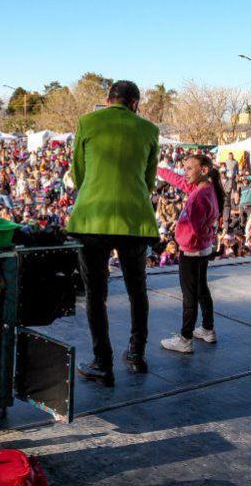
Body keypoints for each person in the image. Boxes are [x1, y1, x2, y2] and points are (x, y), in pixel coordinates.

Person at [67, 80, 159, 385]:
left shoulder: (87, 122)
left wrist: (93, 193)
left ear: (108, 101)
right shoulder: (149, 130)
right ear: (134, 103)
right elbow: (149, 180)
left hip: (92, 219)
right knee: (137, 290)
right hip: (134, 220)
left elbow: (78, 173)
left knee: (96, 294)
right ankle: (136, 355)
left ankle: (102, 362)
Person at [156, 154, 224, 353]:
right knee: (201, 288)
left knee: (190, 295)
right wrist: (158, 170)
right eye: (184, 168)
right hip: (202, 249)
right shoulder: (205, 189)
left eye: (189, 169)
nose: (185, 173)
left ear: (203, 171)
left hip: (192, 251)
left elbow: (193, 228)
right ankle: (208, 329)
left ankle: (185, 339)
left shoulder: (199, 197)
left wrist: (181, 240)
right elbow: (177, 180)